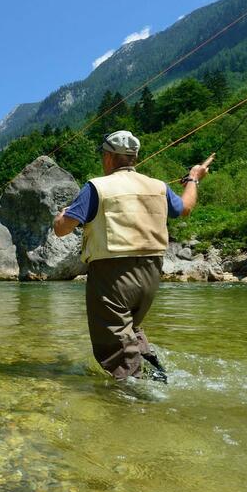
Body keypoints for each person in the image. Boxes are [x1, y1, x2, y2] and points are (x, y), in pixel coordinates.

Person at [52, 130, 209, 382]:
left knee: (113, 346)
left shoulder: (95, 187)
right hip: (151, 274)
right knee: (130, 331)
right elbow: (186, 208)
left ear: (108, 157)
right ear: (134, 157)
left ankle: (133, 400)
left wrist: (60, 216)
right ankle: (156, 375)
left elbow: (63, 229)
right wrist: (193, 178)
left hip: (111, 276)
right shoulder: (159, 186)